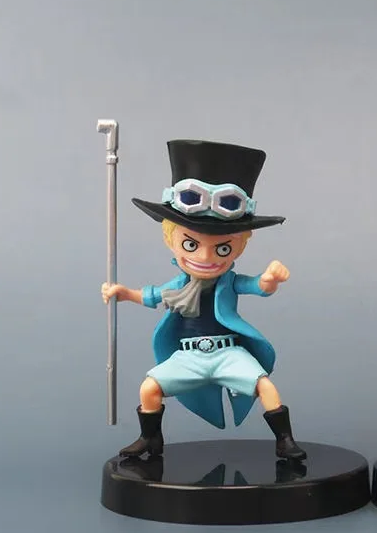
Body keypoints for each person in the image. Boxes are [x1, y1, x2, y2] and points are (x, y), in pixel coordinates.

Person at [101, 139, 305, 461]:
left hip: (228, 353)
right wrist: (123, 293)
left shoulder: (229, 281)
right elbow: (152, 295)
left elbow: (258, 286)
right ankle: (150, 438)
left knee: (265, 386)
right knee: (149, 388)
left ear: (239, 246)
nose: (206, 258)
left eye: (222, 248)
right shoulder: (179, 285)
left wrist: (271, 279)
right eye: (191, 245)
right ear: (171, 239)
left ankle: (285, 440)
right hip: (189, 357)